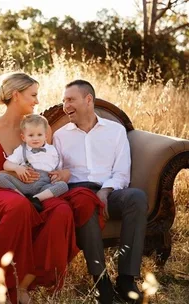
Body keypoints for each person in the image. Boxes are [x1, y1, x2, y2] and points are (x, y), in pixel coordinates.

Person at [0, 72, 104, 304]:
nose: (37, 101)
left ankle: (25, 283)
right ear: (16, 95)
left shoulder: (41, 127)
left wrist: (60, 173)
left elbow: (50, 162)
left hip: (35, 190)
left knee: (61, 210)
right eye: (33, 95)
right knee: (19, 206)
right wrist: (10, 172)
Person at [53, 79, 148, 304]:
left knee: (136, 197)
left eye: (70, 99)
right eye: (64, 100)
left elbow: (122, 172)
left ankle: (126, 279)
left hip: (111, 191)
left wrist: (105, 192)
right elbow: (56, 173)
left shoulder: (115, 131)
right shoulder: (59, 136)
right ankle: (100, 280)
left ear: (88, 100)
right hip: (76, 193)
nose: (65, 105)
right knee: (85, 201)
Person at [0, 113, 69, 212]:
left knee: (63, 185)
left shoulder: (53, 150)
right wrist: (18, 168)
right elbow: (6, 164)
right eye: (31, 135)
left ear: (46, 136)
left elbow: (58, 169)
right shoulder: (22, 149)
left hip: (44, 186)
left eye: (39, 134)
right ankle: (22, 198)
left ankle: (35, 199)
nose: (35, 138)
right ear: (23, 137)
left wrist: (56, 175)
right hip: (24, 185)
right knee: (0, 177)